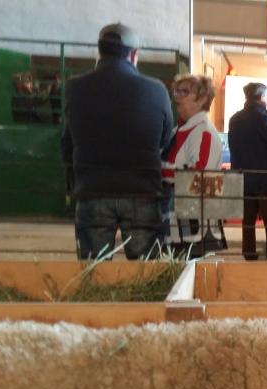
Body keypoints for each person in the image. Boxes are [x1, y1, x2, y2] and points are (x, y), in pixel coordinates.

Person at [61, 23, 173, 260]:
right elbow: (164, 139)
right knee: (145, 274)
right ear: (134, 55)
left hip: (92, 189)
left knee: (95, 272)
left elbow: (67, 142)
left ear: (99, 52)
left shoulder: (74, 88)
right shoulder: (156, 90)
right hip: (142, 190)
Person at [161, 74, 225, 256]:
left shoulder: (203, 131)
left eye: (185, 91)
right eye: (176, 91)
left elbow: (197, 175)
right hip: (176, 212)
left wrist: (162, 173)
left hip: (193, 215)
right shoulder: (180, 130)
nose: (178, 96)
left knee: (190, 267)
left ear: (202, 98)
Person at [228, 82, 267, 261]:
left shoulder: (235, 119)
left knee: (248, 221)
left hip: (245, 177)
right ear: (262, 97)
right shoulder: (265, 119)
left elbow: (235, 149)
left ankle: (249, 252)